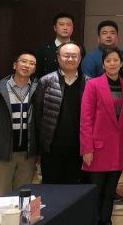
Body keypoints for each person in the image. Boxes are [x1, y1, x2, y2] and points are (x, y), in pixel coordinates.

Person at [80, 48, 123, 225]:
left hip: (117, 150)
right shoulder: (93, 85)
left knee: (110, 194)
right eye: (108, 60)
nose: (112, 63)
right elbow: (86, 118)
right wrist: (87, 147)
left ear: (121, 63)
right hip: (96, 150)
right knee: (96, 194)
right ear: (103, 65)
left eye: (115, 60)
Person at [0, 51, 39, 197]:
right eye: (24, 61)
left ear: (34, 69)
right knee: (2, 195)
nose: (27, 65)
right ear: (15, 65)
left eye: (32, 63)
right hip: (3, 153)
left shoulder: (38, 89)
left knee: (23, 195)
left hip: (28, 154)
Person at [33, 41, 88, 184]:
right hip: (51, 147)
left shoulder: (89, 83)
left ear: (80, 59)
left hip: (79, 147)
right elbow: (38, 115)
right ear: (58, 58)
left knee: (75, 189)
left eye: (74, 56)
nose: (70, 59)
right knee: (51, 188)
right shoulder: (45, 82)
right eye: (66, 55)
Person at [34, 12, 85, 78]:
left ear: (72, 28)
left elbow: (81, 71)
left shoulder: (79, 48)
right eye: (61, 24)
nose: (65, 28)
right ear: (55, 28)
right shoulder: (43, 49)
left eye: (69, 25)